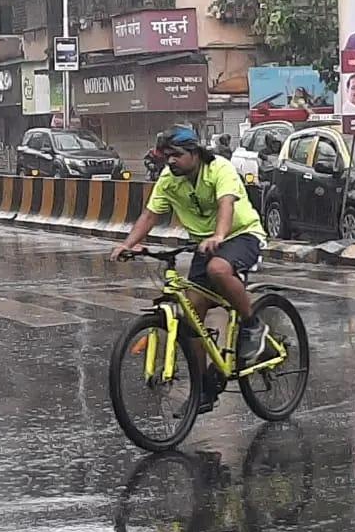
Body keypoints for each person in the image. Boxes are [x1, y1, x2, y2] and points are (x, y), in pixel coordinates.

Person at [110, 125, 269, 414]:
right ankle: (203, 390)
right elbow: (150, 214)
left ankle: (252, 324)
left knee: (219, 270)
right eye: (167, 156)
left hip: (240, 236)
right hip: (203, 244)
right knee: (192, 318)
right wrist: (128, 244)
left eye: (177, 155)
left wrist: (219, 235)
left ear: (195, 153)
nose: (171, 161)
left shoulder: (219, 169)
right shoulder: (169, 181)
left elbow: (226, 205)